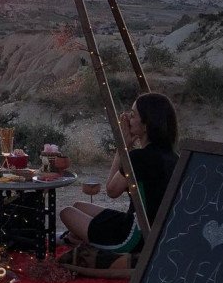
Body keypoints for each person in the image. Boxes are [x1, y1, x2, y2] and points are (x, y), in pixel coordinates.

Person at [59, 92, 178, 263]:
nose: (128, 119)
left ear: (146, 125)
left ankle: (80, 239)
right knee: (78, 205)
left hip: (135, 235)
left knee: (66, 213)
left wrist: (124, 145)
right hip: (151, 230)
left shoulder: (139, 158)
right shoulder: (174, 157)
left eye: (133, 114)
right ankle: (77, 237)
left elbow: (111, 190)